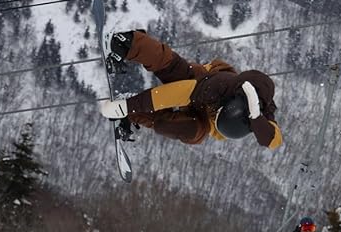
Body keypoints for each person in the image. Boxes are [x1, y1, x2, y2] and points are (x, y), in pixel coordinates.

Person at [98, 30, 283, 150]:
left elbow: (274, 141)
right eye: (217, 114)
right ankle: (128, 44)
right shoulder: (218, 87)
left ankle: (132, 116)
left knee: (188, 130)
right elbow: (173, 94)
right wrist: (129, 105)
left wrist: (256, 119)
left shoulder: (263, 111)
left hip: (204, 118)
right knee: (172, 69)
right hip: (202, 81)